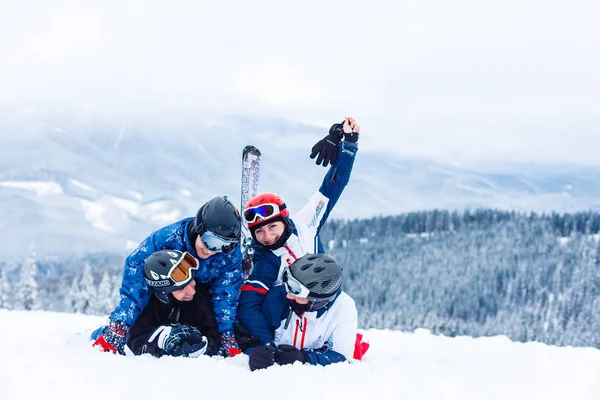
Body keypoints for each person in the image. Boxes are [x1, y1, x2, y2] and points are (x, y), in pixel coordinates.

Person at [237, 116, 360, 345]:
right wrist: (265, 345)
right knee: (277, 296)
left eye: (272, 226)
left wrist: (348, 144)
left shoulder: (307, 223)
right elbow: (249, 305)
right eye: (259, 232)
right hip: (288, 325)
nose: (267, 237)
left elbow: (334, 186)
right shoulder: (265, 260)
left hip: (322, 312)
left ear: (285, 219)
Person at [91, 196, 244, 357]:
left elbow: (225, 295)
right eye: (210, 241)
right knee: (138, 324)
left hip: (198, 298)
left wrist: (227, 336)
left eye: (223, 245)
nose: (211, 251)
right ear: (199, 227)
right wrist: (120, 326)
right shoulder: (168, 239)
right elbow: (136, 280)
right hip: (162, 296)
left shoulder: (230, 256)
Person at [245, 253, 358, 370]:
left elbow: (342, 358)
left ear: (316, 301)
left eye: (296, 292)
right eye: (288, 283)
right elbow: (251, 338)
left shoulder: (343, 308)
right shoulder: (277, 298)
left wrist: (305, 358)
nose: (288, 295)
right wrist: (256, 353)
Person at [126, 250, 221, 358]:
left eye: (191, 281)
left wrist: (205, 348)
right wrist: (162, 343)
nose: (192, 291)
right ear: (164, 294)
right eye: (181, 288)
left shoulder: (202, 298)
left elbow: (220, 336)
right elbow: (135, 340)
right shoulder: (145, 306)